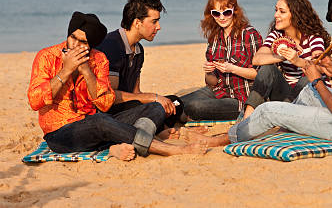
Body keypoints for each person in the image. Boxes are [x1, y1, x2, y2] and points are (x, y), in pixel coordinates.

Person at [179, 0, 332, 146]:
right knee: (307, 93)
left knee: (268, 110)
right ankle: (290, 121)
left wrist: (316, 78)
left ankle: (220, 139)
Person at [27, 12, 206, 161]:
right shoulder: (47, 57)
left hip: (96, 125)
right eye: (73, 38)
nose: (75, 45)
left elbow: (105, 104)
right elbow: (35, 101)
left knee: (155, 107)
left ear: (91, 46)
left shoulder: (99, 60)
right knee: (100, 121)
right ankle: (165, 148)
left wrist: (87, 72)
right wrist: (66, 71)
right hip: (60, 135)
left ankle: (117, 144)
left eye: (83, 42)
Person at [97, 0, 183, 128]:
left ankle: (160, 127)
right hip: (107, 115)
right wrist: (152, 98)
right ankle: (159, 129)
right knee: (154, 107)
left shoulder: (139, 50)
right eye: (154, 21)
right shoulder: (112, 45)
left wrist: (158, 100)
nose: (158, 27)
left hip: (128, 107)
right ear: (137, 23)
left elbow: (136, 93)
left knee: (175, 102)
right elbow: (110, 97)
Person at [241, 0, 331, 119]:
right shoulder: (276, 35)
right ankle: (247, 119)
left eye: (282, 11)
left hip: (311, 96)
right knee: (268, 69)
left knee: (307, 79)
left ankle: (282, 116)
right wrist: (282, 56)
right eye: (276, 10)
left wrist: (296, 60)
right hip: (287, 96)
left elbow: (321, 67)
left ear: (295, 15)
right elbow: (257, 59)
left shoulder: (313, 37)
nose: (276, 15)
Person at [180, 0, 263, 120]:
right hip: (219, 92)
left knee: (194, 107)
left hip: (242, 99)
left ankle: (184, 116)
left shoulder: (249, 34)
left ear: (235, 11)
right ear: (211, 14)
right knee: (176, 102)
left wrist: (233, 69)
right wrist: (208, 72)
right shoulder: (214, 38)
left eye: (226, 12)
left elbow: (260, 75)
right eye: (216, 13)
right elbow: (211, 82)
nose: (222, 17)